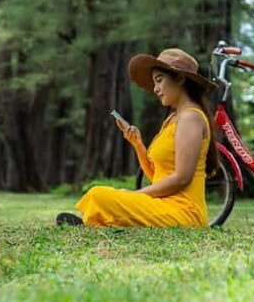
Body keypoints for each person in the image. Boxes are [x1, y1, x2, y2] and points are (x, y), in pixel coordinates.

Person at [56, 48, 219, 228]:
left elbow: (182, 178)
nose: (156, 89)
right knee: (102, 194)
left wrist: (137, 195)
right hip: (165, 205)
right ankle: (95, 224)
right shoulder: (174, 119)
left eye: (159, 80)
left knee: (99, 195)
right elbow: (157, 176)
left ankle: (93, 223)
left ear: (180, 79)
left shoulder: (191, 118)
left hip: (184, 212)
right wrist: (137, 144)